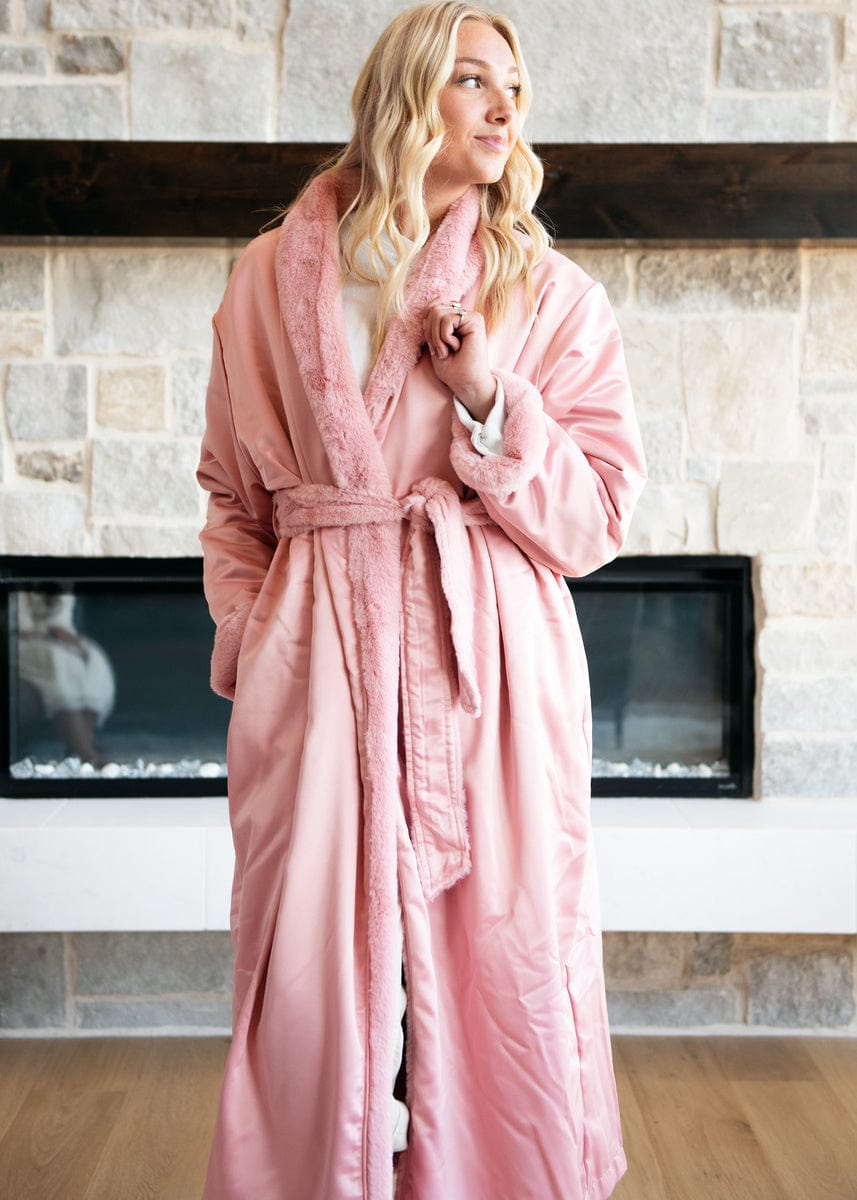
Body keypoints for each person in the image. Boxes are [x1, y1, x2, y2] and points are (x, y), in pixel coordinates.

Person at [196, 3, 646, 1198]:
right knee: (313, 969)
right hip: (320, 659)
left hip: (483, 665)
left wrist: (490, 398)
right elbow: (232, 497)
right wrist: (251, 637)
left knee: (495, 957)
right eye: (472, 80)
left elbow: (597, 518)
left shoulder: (542, 292)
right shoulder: (267, 279)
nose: (505, 109)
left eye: (514, 87)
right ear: (405, 96)